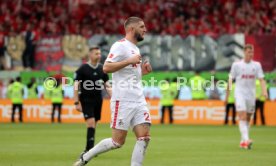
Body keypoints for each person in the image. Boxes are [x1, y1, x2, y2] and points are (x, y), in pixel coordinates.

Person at [74, 16, 152, 166]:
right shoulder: (120, 46)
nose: (145, 29)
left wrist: (143, 71)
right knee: (117, 142)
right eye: (142, 27)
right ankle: (86, 157)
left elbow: (129, 74)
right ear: (131, 29)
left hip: (139, 100)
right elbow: (107, 67)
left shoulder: (135, 48)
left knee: (144, 137)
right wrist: (129, 61)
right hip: (123, 100)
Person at [226, 44, 267, 150]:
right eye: (249, 52)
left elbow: (262, 79)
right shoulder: (237, 65)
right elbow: (230, 79)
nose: (251, 54)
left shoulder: (257, 65)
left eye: (252, 52)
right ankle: (247, 139)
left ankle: (243, 141)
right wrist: (227, 94)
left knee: (248, 118)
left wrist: (264, 91)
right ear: (244, 52)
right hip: (240, 94)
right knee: (242, 116)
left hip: (251, 95)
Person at [74, 46, 111, 154]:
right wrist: (76, 102)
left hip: (98, 100)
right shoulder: (82, 69)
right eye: (96, 54)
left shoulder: (102, 68)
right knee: (90, 122)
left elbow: (107, 85)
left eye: (99, 54)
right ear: (90, 55)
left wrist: (114, 97)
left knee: (94, 123)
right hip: (86, 100)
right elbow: (76, 85)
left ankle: (91, 149)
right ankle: (88, 150)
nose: (99, 56)